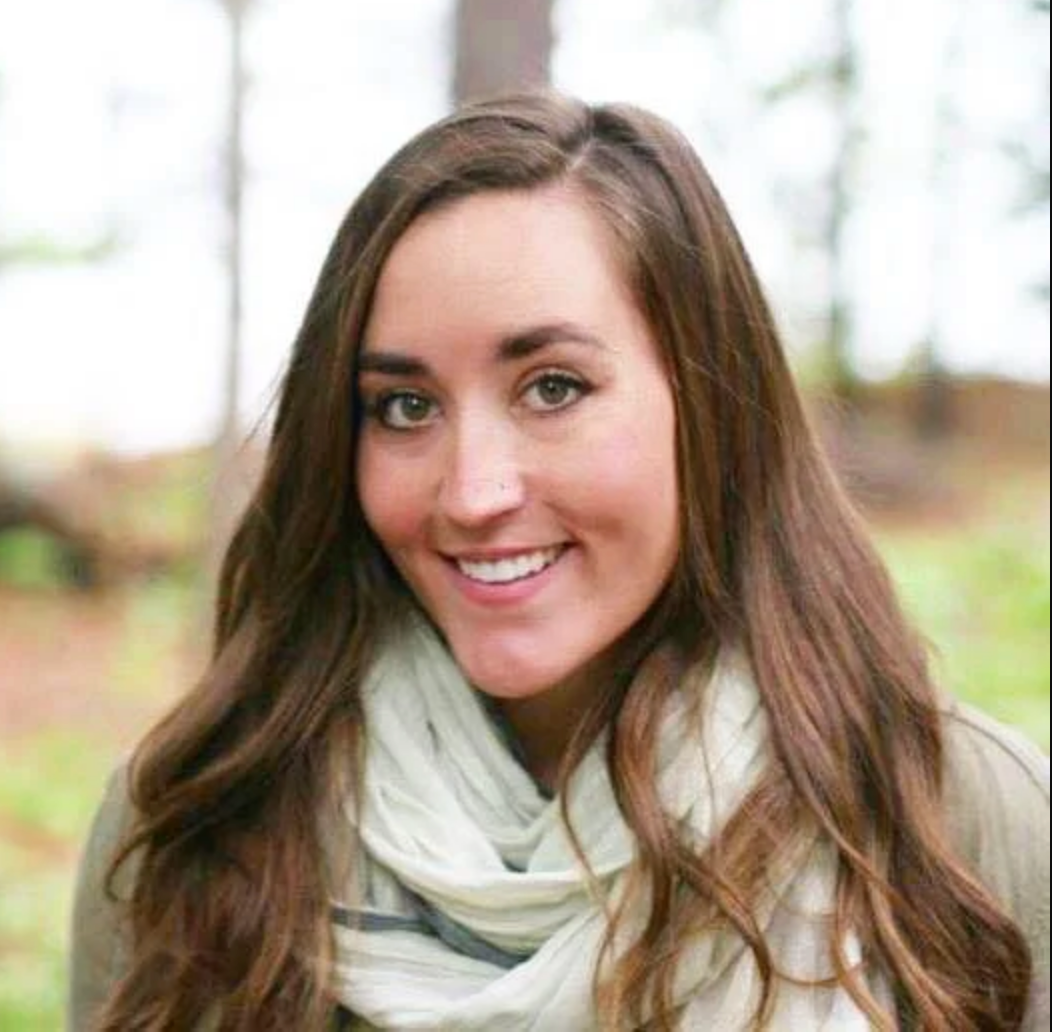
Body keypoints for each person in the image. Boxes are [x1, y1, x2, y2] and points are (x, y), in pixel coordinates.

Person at [69, 91, 1048, 1032]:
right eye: (404, 407)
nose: (471, 493)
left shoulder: (953, 818)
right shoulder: (204, 818)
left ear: (705, 406)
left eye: (552, 388)